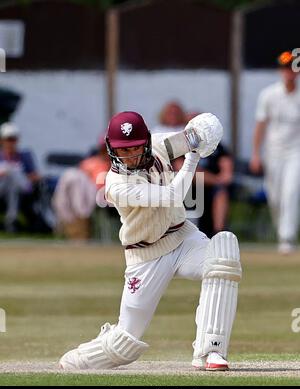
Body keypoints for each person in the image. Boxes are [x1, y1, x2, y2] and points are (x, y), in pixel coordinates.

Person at [59, 111, 242, 371]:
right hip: (145, 255)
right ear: (111, 150)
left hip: (183, 237)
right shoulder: (116, 184)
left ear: (146, 142)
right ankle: (75, 360)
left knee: (224, 255)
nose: (130, 156)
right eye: (123, 151)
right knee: (124, 345)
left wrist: (204, 130)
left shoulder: (158, 145)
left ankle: (211, 350)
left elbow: (195, 135)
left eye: (135, 148)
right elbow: (172, 195)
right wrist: (193, 156)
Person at [250, 51, 300, 254]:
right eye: (285, 68)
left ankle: (286, 238)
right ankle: (282, 231)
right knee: (276, 197)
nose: (289, 72)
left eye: (293, 68)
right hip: (274, 153)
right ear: (280, 71)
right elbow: (260, 126)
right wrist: (255, 154)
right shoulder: (269, 95)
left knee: (291, 192)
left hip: (296, 152)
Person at [52, 137, 110, 240]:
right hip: (81, 188)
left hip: (98, 190)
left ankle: (77, 223)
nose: (105, 151)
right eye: (103, 148)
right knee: (71, 176)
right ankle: (72, 222)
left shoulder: (113, 164)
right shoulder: (89, 161)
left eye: (108, 149)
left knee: (76, 180)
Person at [0, 122, 40, 232]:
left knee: (13, 180)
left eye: (14, 139)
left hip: (20, 191)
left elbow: (36, 176)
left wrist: (15, 173)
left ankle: (11, 221)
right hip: (2, 188)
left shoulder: (25, 156)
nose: (11, 142)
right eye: (9, 139)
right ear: (2, 140)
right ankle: (11, 221)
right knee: (10, 175)